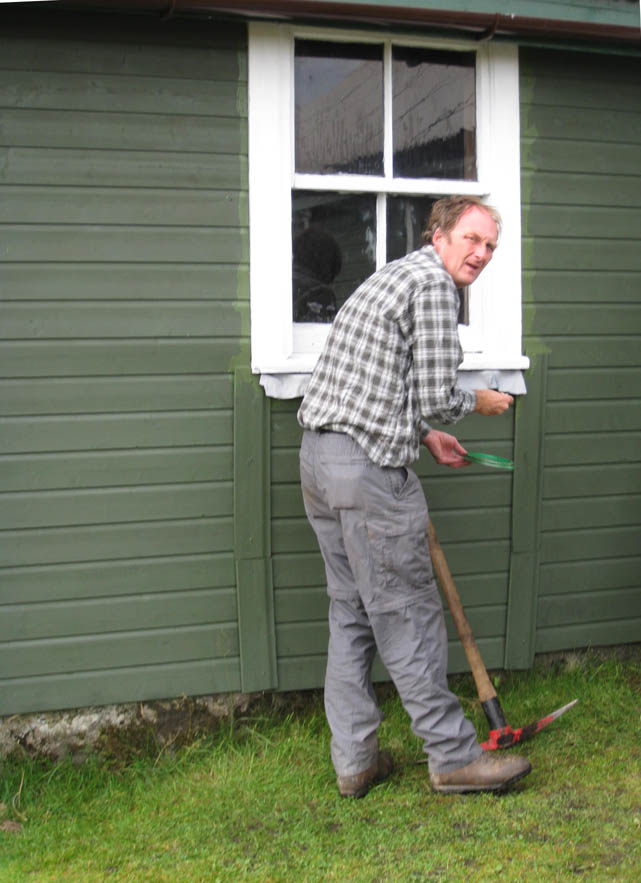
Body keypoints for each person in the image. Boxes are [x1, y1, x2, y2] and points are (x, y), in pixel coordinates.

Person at [297, 195, 531, 797]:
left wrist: (425, 436)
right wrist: (477, 399)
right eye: (473, 239)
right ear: (441, 234)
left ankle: (354, 762)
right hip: (370, 474)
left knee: (351, 614)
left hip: (321, 463)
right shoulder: (433, 287)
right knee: (407, 617)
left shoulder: (392, 276)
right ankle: (453, 757)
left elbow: (377, 380)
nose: (481, 254)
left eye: (491, 247)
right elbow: (433, 390)